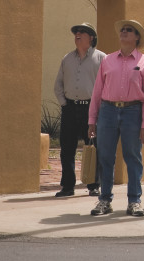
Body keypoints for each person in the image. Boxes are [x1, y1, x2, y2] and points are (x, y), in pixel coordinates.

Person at [88, 19, 144, 217]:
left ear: (137, 37)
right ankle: (104, 200)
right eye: (123, 30)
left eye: (129, 30)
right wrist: (92, 119)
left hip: (132, 112)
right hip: (107, 111)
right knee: (105, 157)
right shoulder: (107, 60)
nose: (124, 32)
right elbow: (97, 91)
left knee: (133, 157)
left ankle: (134, 201)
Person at [52, 22, 105, 197]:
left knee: (92, 147)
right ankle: (67, 186)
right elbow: (58, 83)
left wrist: (99, 107)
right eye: (76, 32)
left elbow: (106, 85)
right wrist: (64, 103)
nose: (78, 34)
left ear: (91, 37)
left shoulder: (101, 58)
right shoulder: (67, 58)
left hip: (91, 108)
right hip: (69, 108)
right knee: (67, 147)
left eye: (82, 32)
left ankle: (93, 185)